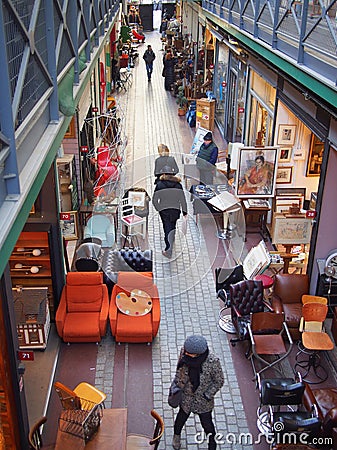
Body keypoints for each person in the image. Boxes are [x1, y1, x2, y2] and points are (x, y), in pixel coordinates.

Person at [171, 335, 224, 450]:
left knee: (207, 425)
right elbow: (179, 369)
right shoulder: (184, 353)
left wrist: (207, 395)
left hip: (203, 401)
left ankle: (212, 444)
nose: (185, 354)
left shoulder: (212, 362)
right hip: (186, 398)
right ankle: (176, 436)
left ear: (198, 354)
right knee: (180, 419)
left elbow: (219, 381)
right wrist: (177, 385)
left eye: (189, 353)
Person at [152, 167, 187, 258]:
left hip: (165, 211)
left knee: (166, 228)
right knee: (173, 225)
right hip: (175, 210)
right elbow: (182, 199)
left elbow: (154, 200)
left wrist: (159, 209)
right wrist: (184, 211)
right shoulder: (178, 185)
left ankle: (168, 250)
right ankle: (172, 238)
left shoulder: (160, 185)